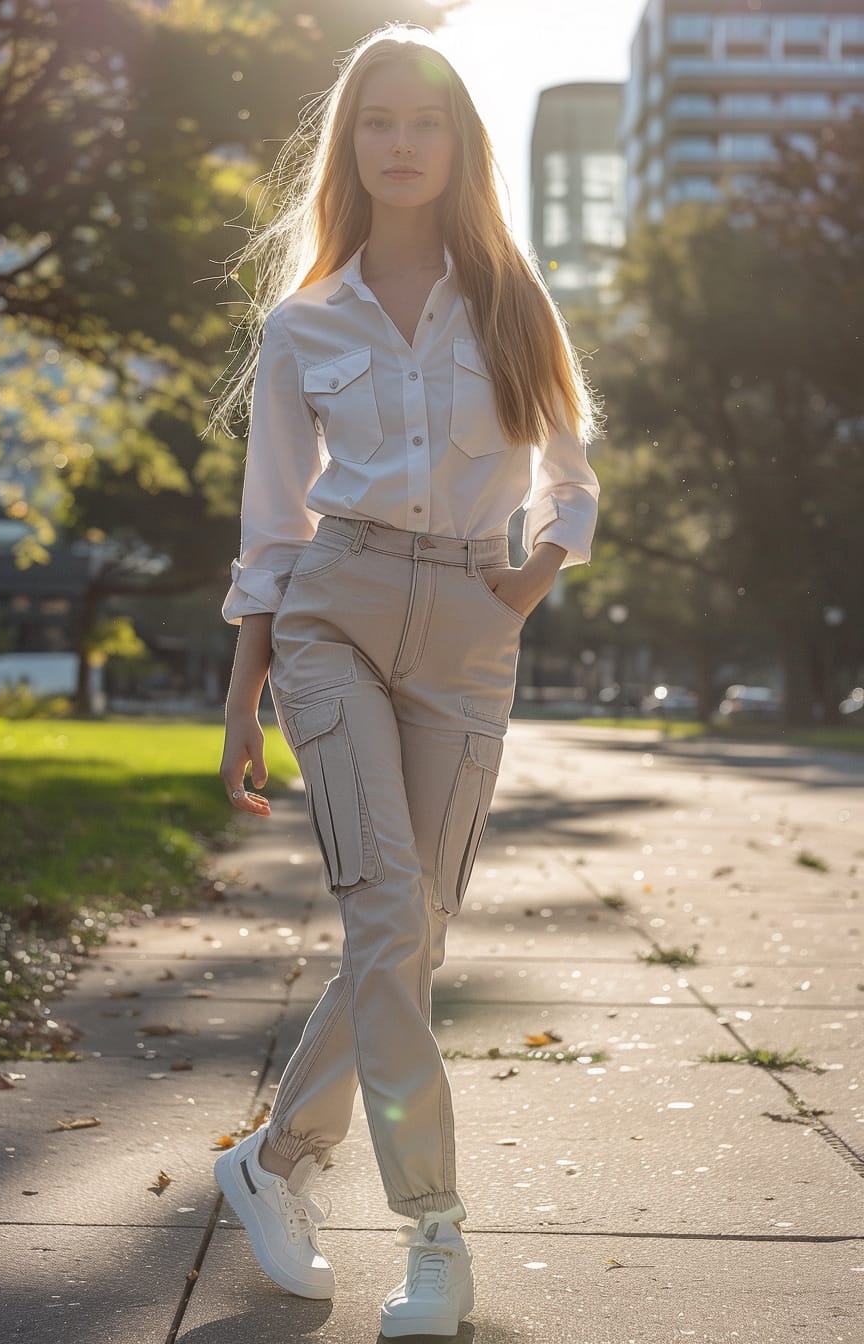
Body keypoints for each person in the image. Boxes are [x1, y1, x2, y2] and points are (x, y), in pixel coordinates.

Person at [209, 22, 602, 1339]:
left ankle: (268, 1165)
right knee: (388, 915)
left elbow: (573, 482)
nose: (402, 141)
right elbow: (270, 529)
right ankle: (437, 1235)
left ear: (459, 143)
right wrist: (241, 698)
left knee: (411, 934)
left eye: (425, 120)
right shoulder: (302, 321)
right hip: (335, 617)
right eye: (378, 120)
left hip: (469, 628)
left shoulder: (515, 304)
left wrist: (518, 596)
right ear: (353, 145)